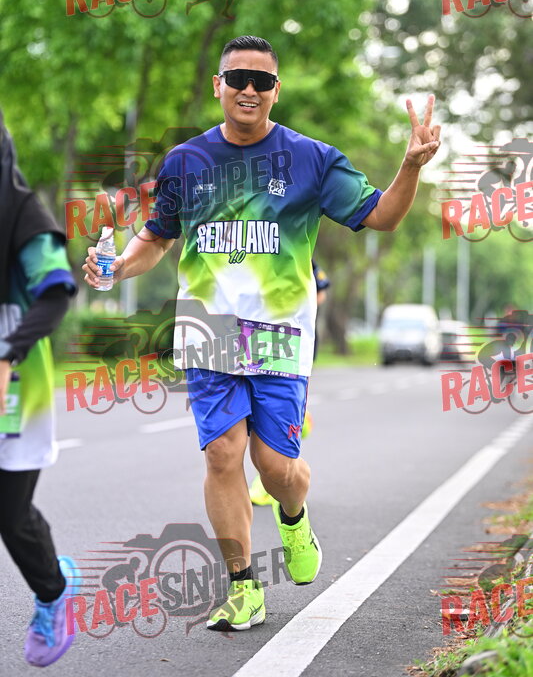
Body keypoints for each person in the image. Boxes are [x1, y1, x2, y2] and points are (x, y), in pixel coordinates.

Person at [83, 35, 441, 632]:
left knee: (275, 468)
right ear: (218, 85)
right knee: (223, 454)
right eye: (238, 78)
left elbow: (383, 216)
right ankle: (243, 587)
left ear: (276, 90)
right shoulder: (185, 162)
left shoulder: (311, 159)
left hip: (280, 336)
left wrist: (410, 166)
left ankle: (294, 516)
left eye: (262, 81)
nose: (249, 89)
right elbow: (158, 237)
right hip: (208, 331)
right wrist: (118, 266)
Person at [0, 112, 80, 666]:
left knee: (9, 513)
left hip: (15, 376)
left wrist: (8, 355)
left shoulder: (24, 213)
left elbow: (54, 292)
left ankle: (53, 591)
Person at [248, 259, 329, 506]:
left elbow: (321, 292)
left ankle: (268, 480)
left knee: (277, 423)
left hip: (292, 341)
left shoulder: (302, 256)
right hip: (246, 338)